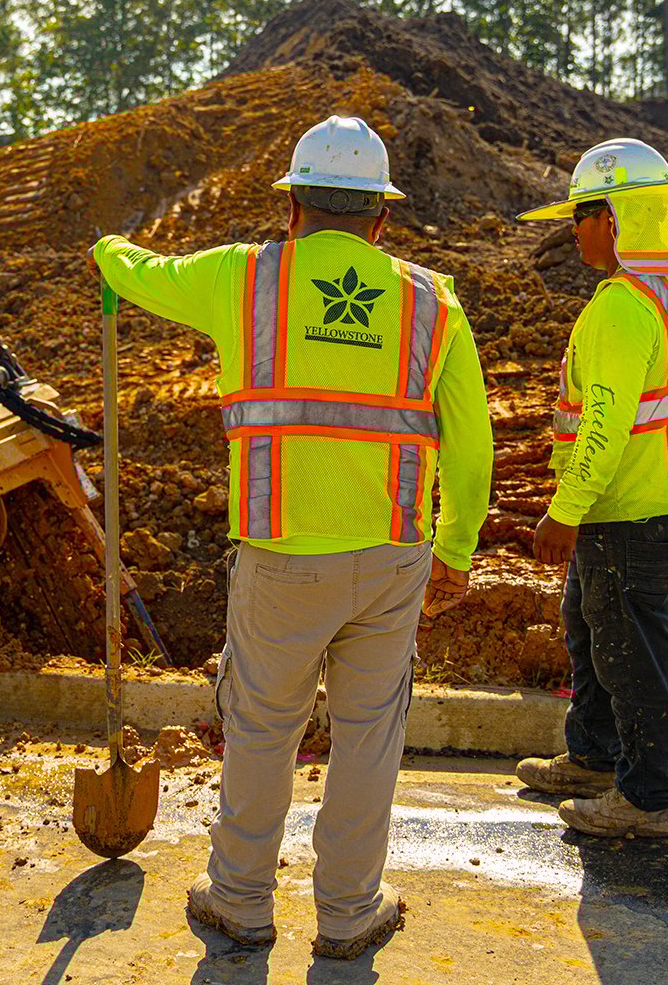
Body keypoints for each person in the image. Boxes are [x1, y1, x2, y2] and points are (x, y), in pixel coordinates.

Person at [90, 115, 493, 959]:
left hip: (278, 558)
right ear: (381, 219)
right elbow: (472, 442)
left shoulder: (245, 280)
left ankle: (239, 901)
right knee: (369, 736)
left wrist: (107, 253)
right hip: (389, 559)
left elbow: (142, 275)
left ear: (292, 209)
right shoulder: (433, 302)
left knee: (263, 729)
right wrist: (454, 547)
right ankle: (348, 914)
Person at [514, 137, 668, 838]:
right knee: (592, 626)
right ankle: (595, 757)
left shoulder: (621, 306)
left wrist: (563, 511)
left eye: (582, 213)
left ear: (617, 218)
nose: (573, 228)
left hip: (630, 506)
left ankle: (648, 800)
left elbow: (605, 422)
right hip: (658, 496)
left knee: (630, 650)